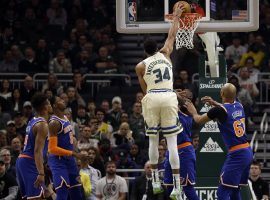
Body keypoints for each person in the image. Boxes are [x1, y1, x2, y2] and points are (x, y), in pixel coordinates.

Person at [135, 4, 184, 199]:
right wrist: (177, 16)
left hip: (153, 96)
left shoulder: (140, 66)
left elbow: (144, 90)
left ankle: (155, 180)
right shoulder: (165, 53)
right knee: (172, 142)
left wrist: (151, 98)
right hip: (168, 94)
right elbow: (172, 34)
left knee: (153, 140)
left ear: (144, 51)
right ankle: (177, 187)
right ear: (157, 48)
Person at [185, 83, 253, 200]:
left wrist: (193, 111)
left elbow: (199, 120)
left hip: (237, 154)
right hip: (247, 151)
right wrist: (215, 103)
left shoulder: (219, 110)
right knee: (234, 191)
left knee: (222, 193)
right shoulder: (239, 105)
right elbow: (226, 110)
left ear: (221, 93)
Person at [164, 90, 199, 200]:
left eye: (185, 93)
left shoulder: (188, 112)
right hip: (170, 151)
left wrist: (173, 91)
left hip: (184, 151)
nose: (182, 93)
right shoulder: (173, 109)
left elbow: (176, 98)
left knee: (187, 187)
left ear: (189, 99)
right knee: (169, 187)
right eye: (181, 92)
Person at [16, 92, 52, 199]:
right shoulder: (42, 125)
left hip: (23, 161)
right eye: (49, 103)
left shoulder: (32, 120)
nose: (51, 106)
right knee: (36, 197)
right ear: (44, 107)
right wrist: (41, 173)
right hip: (30, 162)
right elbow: (37, 151)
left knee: (42, 195)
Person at [48, 96, 84, 200]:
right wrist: (74, 154)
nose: (63, 100)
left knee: (77, 193)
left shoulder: (65, 117)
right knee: (62, 194)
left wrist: (78, 152)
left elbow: (70, 138)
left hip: (70, 161)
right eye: (59, 100)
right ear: (54, 105)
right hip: (58, 162)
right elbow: (52, 149)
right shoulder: (54, 123)